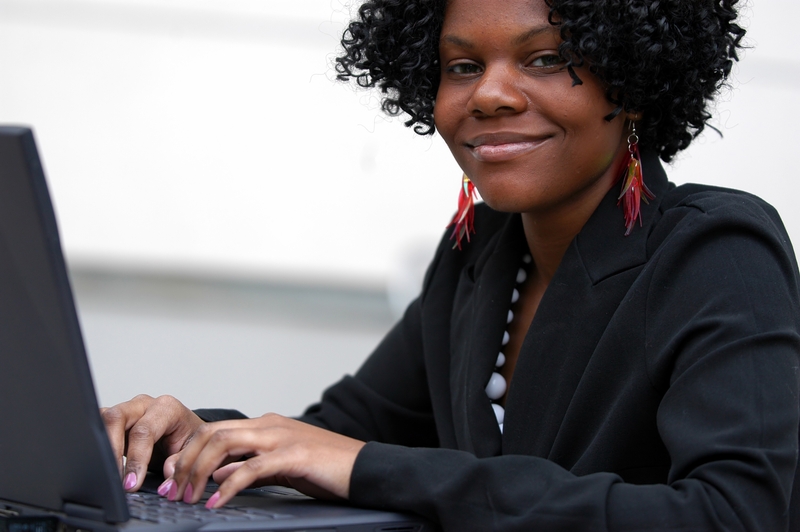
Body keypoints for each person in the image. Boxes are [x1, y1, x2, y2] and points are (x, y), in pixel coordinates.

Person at [101, 0, 800, 529]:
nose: (489, 94)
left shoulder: (716, 253)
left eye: (546, 58)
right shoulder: (482, 251)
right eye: (462, 66)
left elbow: (734, 515)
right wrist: (185, 437)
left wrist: (369, 468)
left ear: (636, 80)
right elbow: (333, 434)